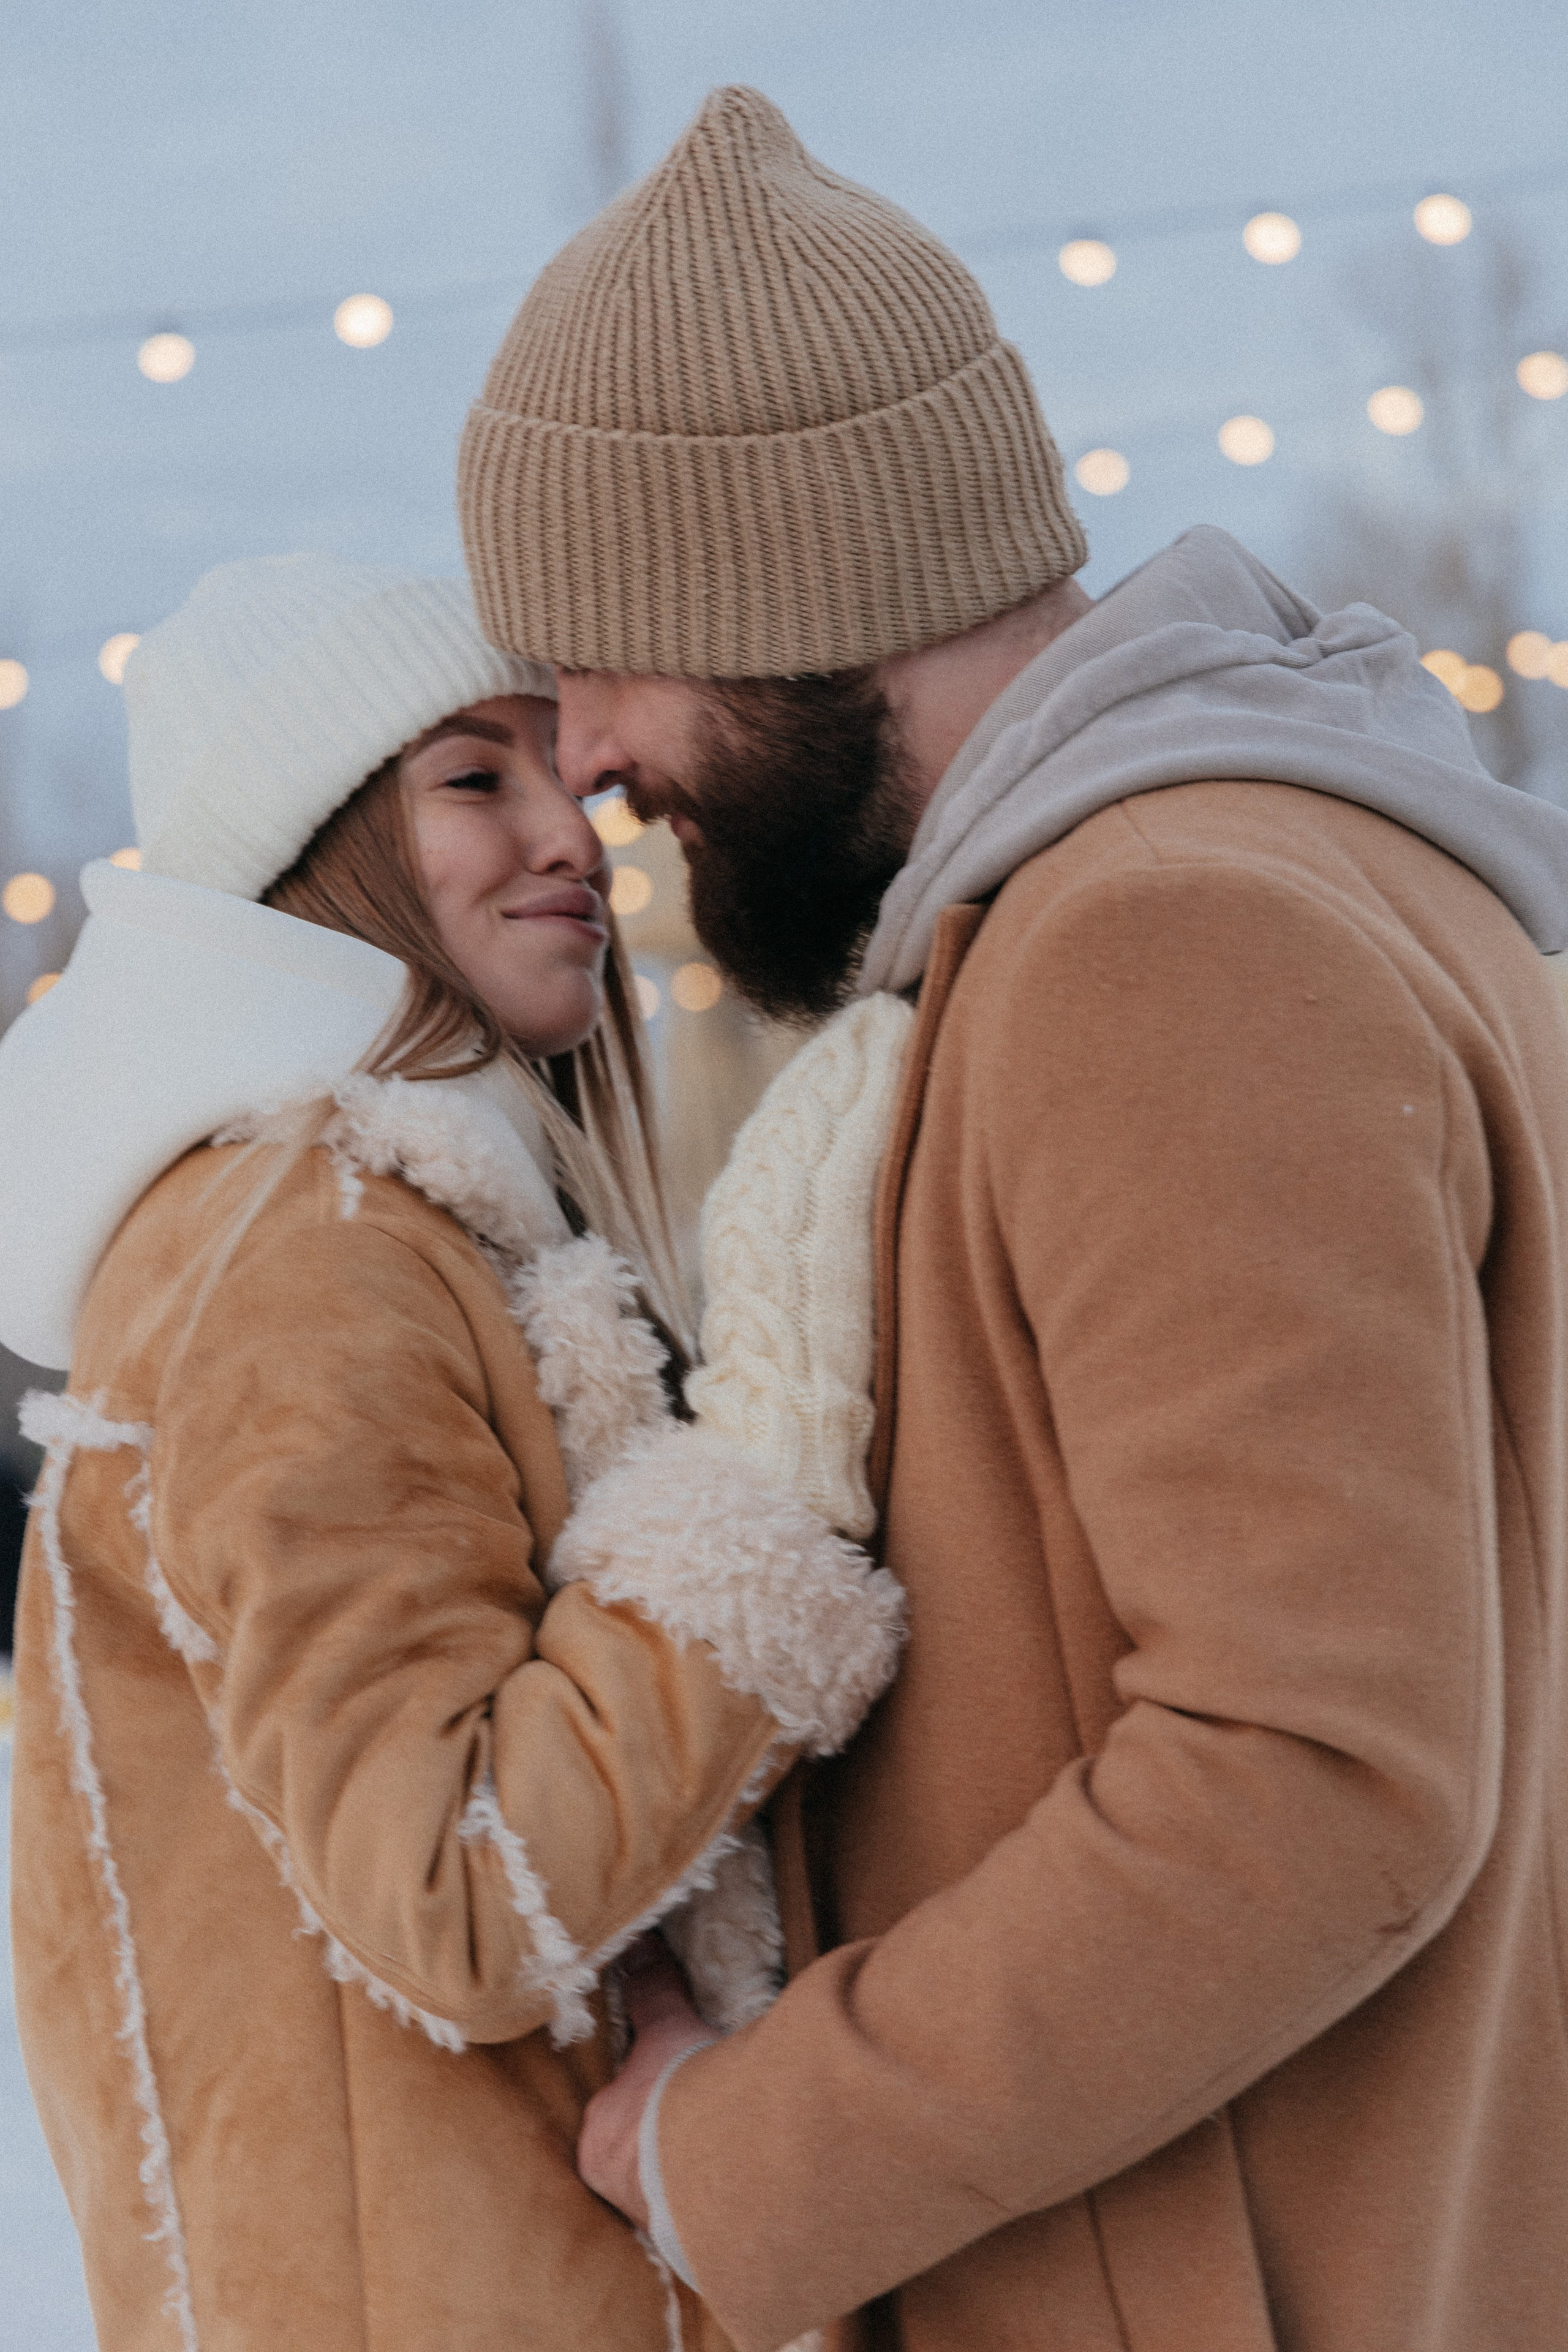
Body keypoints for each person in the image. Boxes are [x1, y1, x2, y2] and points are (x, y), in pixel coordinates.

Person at [456, 84, 1568, 2352]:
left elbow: (1317, 1775)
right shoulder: (1285, 882)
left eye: (596, 649)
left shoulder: (1163, 947)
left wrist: (738, 2149)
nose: (579, 753)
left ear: (789, 590)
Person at [0, 554, 903, 2352]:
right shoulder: (303, 1255)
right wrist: (763, 1496)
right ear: (310, 856)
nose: (571, 832)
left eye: (565, 772)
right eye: (475, 779)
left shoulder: (402, 1231)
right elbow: (458, 1887)